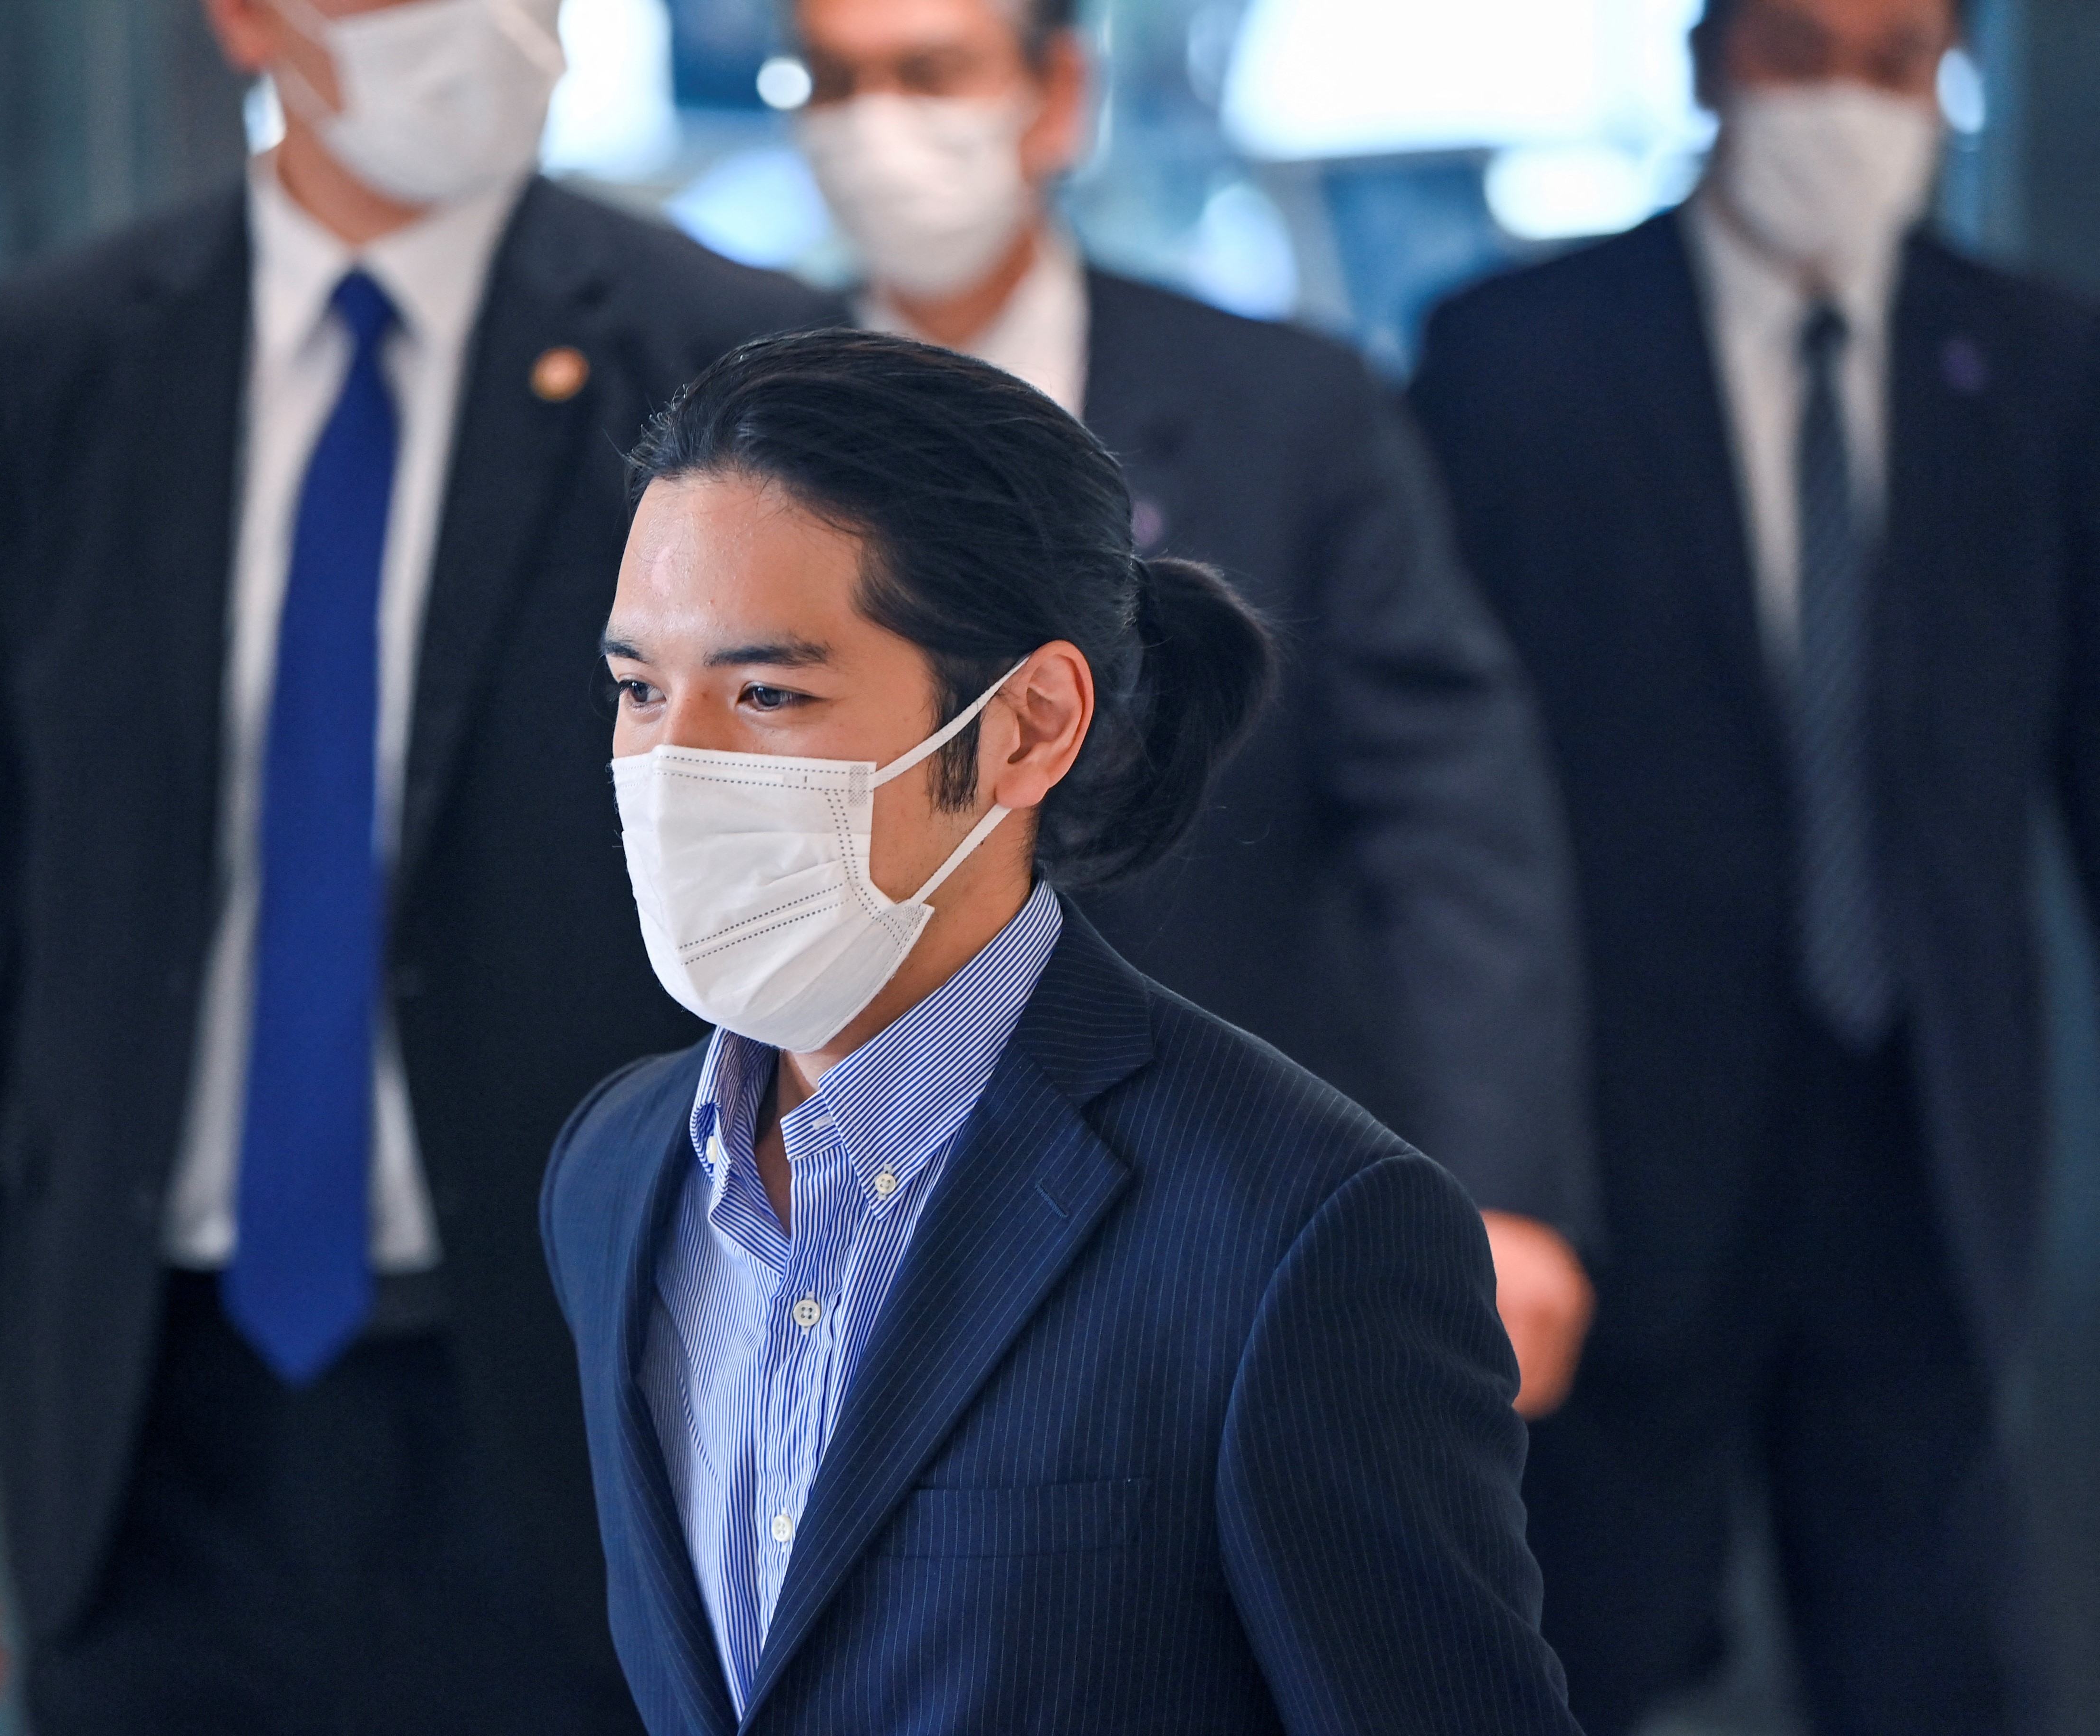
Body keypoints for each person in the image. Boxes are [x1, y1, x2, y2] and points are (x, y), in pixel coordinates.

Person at [0, 0, 837, 1729]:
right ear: (246, 19)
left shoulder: (722, 351)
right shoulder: (62, 350)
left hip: (566, 1374)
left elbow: (806, 894)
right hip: (147, 1390)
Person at [544, 326, 1582, 1734]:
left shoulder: (1299, 1231)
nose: (676, 766)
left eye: (770, 693)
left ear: (1029, 725)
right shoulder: (614, 1171)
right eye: (638, 689)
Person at [1408, 0, 2100, 1729]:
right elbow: (1440, 787)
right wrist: (1473, 1139)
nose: (1841, 102)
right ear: (1707, 61)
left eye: (1890, 56)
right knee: (1578, 1646)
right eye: (1799, 48)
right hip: (1616, 1140)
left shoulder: (2032, 361)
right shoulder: (1513, 359)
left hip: (1923, 1130)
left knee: (1939, 1656)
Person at [787, 0, 1599, 1416]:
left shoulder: (1287, 406)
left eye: (931, 72)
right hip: (844, 1207)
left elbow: (1447, 813)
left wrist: (1499, 1185)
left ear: (1053, 98)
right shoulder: (736, 409)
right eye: (839, 80)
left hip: (1235, 1169)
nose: (880, 127)